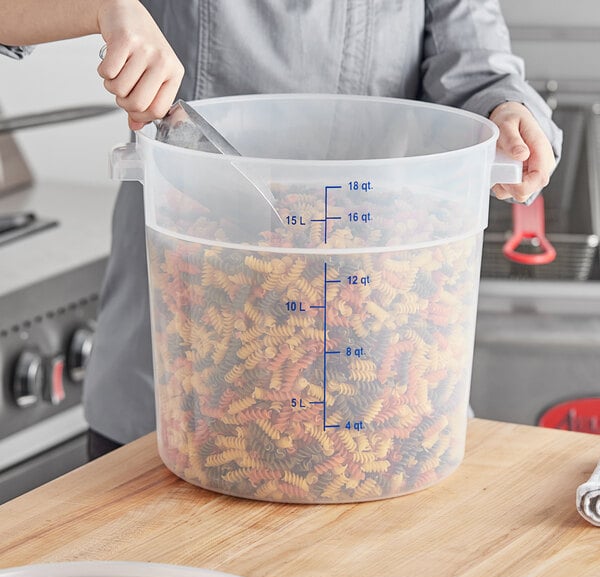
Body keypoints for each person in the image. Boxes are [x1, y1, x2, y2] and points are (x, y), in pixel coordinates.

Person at [1, 0, 562, 459]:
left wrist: (506, 109)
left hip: (382, 389)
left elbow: (476, 66)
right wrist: (107, 7)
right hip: (180, 394)